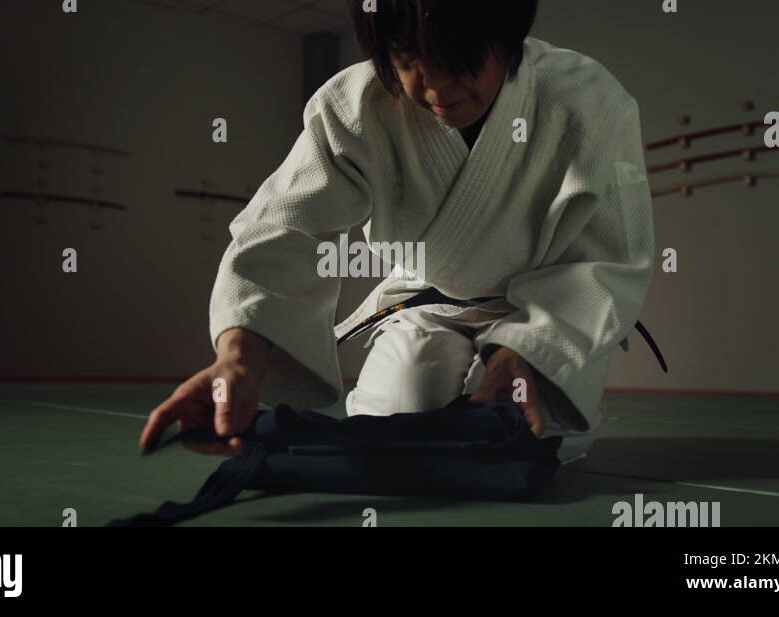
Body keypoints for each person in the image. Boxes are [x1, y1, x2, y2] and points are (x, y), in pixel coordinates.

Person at [140, 0, 655, 466]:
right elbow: (282, 228)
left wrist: (530, 352)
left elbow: (607, 259)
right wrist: (238, 360)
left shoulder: (588, 100)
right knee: (400, 417)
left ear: (509, 36)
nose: (433, 87)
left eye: (460, 59)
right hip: (430, 301)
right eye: (406, 56)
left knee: (521, 442)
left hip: (549, 315)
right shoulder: (357, 104)